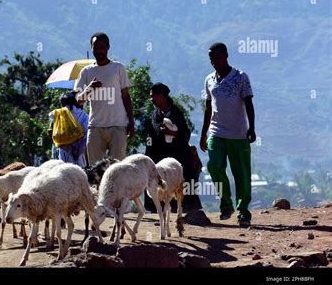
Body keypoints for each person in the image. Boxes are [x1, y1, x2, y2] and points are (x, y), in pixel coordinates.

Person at [200, 42, 256, 227]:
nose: (214, 61)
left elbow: (248, 103)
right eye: (211, 59)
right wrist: (203, 133)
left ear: (226, 55)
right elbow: (208, 107)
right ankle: (226, 204)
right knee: (214, 166)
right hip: (216, 131)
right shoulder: (209, 79)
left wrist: (252, 128)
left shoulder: (240, 77)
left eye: (216, 57)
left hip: (238, 134)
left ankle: (243, 212)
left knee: (241, 174)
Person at [74, 32, 135, 165]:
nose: (98, 50)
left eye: (101, 47)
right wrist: (90, 88)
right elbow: (78, 100)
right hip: (96, 127)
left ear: (108, 47)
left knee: (117, 169)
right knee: (95, 169)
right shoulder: (86, 72)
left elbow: (126, 97)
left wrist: (131, 121)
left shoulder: (118, 68)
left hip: (118, 125)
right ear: (91, 48)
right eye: (95, 47)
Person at [145, 82, 203, 213]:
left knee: (185, 175)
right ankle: (158, 210)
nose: (151, 99)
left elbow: (185, 133)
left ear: (161, 95)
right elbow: (154, 131)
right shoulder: (156, 114)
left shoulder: (176, 112)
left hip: (178, 153)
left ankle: (188, 209)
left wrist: (173, 133)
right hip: (159, 154)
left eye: (153, 96)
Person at [49, 91, 89, 167]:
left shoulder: (57, 113)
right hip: (80, 150)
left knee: (64, 171)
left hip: (63, 150)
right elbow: (86, 132)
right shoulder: (84, 115)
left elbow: (51, 131)